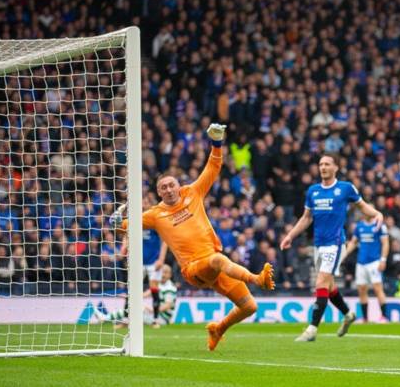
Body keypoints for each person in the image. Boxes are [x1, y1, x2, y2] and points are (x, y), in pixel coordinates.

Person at [110, 123, 274, 351]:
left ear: (178, 186)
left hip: (218, 267)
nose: (168, 190)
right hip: (194, 269)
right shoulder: (155, 215)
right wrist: (117, 222)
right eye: (163, 188)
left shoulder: (192, 193)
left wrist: (217, 143)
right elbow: (126, 227)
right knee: (217, 259)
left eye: (171, 185)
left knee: (249, 307)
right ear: (159, 193)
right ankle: (257, 279)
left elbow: (213, 167)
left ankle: (218, 329)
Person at [280, 154, 383, 342]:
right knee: (329, 286)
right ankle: (348, 314)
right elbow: (306, 218)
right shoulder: (313, 191)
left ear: (336, 167)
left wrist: (377, 213)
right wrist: (290, 236)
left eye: (327, 164)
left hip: (335, 244)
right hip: (318, 245)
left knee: (320, 282)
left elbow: (362, 206)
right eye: (320, 164)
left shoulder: (345, 188)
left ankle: (312, 329)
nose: (323, 167)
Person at [344, 215, 390, 323]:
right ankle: (365, 318)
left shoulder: (380, 226)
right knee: (361, 290)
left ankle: (384, 317)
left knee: (378, 288)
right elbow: (353, 242)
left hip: (374, 262)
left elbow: (385, 243)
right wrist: (344, 254)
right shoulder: (359, 226)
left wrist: (383, 260)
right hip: (361, 263)